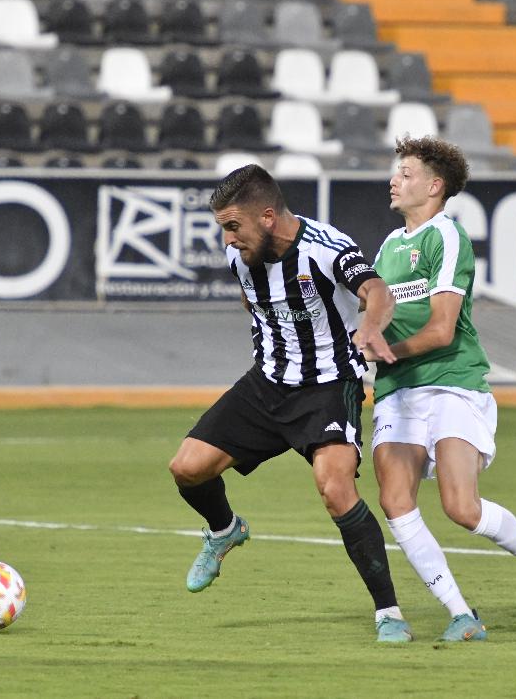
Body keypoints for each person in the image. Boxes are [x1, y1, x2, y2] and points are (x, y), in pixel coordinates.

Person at [167, 164, 414, 643]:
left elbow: (377, 291)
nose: (228, 241)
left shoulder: (328, 248)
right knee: (186, 468)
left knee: (335, 487)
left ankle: (389, 613)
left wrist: (370, 328)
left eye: (233, 227)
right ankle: (223, 531)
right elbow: (253, 303)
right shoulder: (241, 258)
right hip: (268, 384)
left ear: (265, 216)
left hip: (327, 386)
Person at [362, 135, 516, 642]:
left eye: (405, 173)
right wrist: (366, 347)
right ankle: (461, 614)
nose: (394, 180)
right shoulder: (389, 244)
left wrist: (381, 350)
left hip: (451, 382)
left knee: (460, 507)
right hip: (398, 389)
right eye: (396, 172)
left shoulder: (446, 237)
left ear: (434, 186)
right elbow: (377, 316)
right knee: (394, 499)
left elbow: (443, 330)